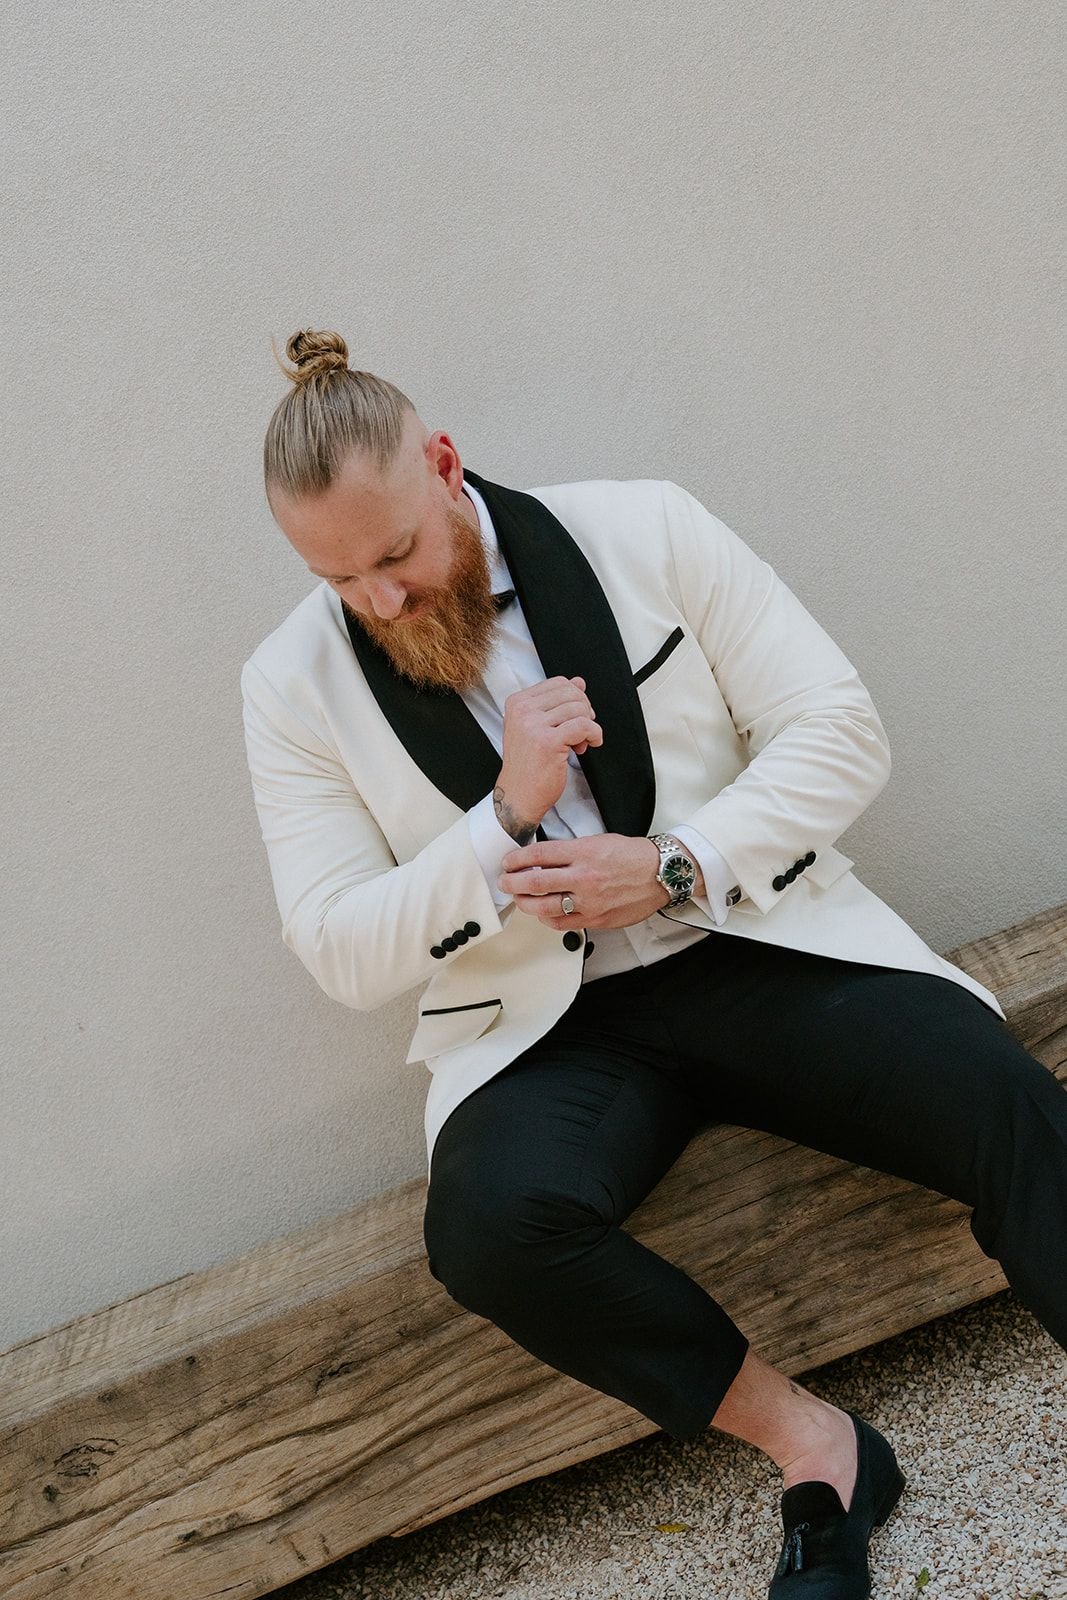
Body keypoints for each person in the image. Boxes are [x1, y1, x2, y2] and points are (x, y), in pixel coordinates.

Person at [241, 328, 1067, 1599]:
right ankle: (819, 1451)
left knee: (1002, 1098)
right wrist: (498, 821)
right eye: (338, 577)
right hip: (549, 1027)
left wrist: (677, 863)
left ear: (445, 466)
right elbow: (337, 946)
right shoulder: (288, 684)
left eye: (395, 554)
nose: (381, 601)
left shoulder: (646, 527)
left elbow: (836, 728)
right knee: (486, 1232)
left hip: (751, 942)